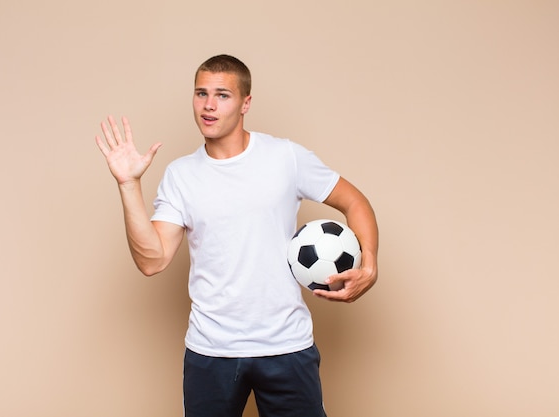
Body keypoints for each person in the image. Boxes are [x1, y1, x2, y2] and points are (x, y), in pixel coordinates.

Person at [95, 54, 378, 417]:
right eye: (201, 94)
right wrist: (129, 184)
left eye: (222, 95)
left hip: (286, 345)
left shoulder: (285, 157)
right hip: (211, 351)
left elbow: (356, 202)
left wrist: (368, 262)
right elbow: (153, 260)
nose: (209, 105)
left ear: (246, 103)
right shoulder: (181, 175)